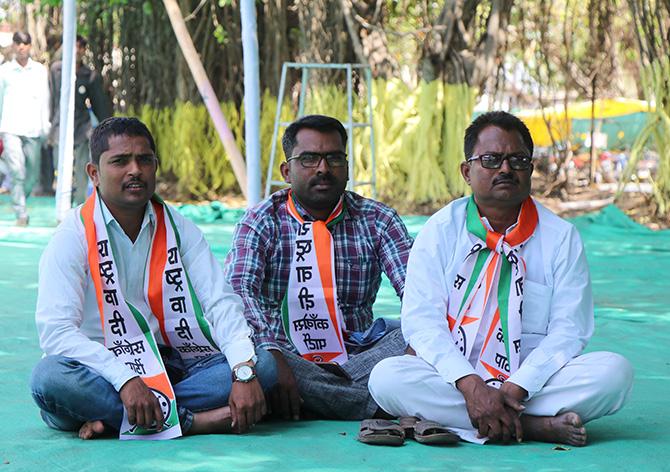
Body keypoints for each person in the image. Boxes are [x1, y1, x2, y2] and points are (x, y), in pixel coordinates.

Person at [368, 111, 633, 446]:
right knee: (387, 379)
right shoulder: (439, 230)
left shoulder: (560, 237)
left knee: (615, 373)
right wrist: (471, 385)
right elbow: (422, 322)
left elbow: (570, 330)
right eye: (491, 159)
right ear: (467, 171)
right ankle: (534, 427)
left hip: (530, 385)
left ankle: (489, 418)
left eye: (517, 160)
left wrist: (516, 386)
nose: (505, 169)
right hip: (455, 380)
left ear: (530, 169)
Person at [30, 117, 276, 440]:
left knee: (265, 365)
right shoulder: (71, 236)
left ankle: (122, 419)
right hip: (100, 372)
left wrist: (243, 373)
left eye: (145, 160)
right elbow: (57, 332)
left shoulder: (178, 226)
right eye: (120, 161)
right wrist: (125, 380)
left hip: (170, 366)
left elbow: (220, 300)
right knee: (49, 380)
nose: (135, 170)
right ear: (94, 173)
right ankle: (190, 422)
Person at [225, 114, 413, 420]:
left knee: (417, 330)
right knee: (257, 360)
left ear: (348, 168)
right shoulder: (261, 220)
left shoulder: (378, 220)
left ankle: (315, 396)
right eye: (309, 159)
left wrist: (418, 342)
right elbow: (239, 292)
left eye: (334, 159)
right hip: (286, 355)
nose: (324, 169)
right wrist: (272, 352)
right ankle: (377, 399)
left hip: (360, 354)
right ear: (287, 170)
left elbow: (417, 290)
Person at [46, 35, 112, 203]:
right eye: (73, 47)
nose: (76, 51)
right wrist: (51, 125)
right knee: (61, 169)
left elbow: (100, 106)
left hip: (82, 129)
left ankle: (79, 209)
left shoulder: (90, 75)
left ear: (84, 51)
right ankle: (63, 207)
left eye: (80, 47)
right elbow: (52, 99)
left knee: (83, 170)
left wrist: (109, 130)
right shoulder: (56, 70)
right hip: (60, 128)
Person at [0, 32, 50, 226]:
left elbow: (46, 99)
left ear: (30, 46)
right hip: (10, 128)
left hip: (34, 130)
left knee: (32, 175)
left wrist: (45, 126)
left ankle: (20, 198)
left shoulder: (39, 71)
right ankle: (21, 212)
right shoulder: (4, 71)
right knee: (17, 171)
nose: (21, 47)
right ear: (13, 46)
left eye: (25, 43)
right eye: (18, 43)